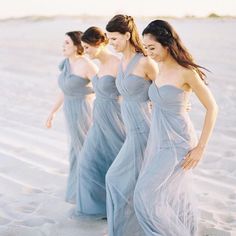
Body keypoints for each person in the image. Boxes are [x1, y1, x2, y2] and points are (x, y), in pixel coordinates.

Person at [134, 19, 218, 236]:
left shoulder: (186, 72)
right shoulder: (158, 69)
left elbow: (212, 108)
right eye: (146, 48)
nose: (149, 53)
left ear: (167, 44)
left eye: (152, 48)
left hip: (178, 143)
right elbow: (159, 98)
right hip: (159, 140)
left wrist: (201, 147)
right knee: (169, 194)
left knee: (145, 192)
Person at [105, 15, 158, 236]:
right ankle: (126, 228)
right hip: (130, 130)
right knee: (132, 182)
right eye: (108, 39)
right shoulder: (121, 63)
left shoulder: (145, 62)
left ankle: (125, 229)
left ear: (127, 35)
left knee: (115, 178)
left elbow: (163, 92)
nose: (111, 43)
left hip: (143, 130)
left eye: (114, 38)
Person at [72, 26, 126, 219]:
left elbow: (133, 91)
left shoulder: (118, 64)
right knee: (87, 163)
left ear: (101, 43)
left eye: (88, 47)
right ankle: (98, 208)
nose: (85, 52)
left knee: (116, 164)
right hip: (99, 120)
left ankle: (120, 210)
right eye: (83, 48)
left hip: (115, 119)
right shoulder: (99, 66)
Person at [45, 31, 97, 204]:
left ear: (78, 46)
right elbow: (65, 90)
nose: (63, 46)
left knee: (85, 152)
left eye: (67, 42)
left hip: (83, 112)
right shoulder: (66, 63)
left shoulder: (87, 65)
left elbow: (103, 88)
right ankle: (77, 193)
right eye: (63, 42)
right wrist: (52, 112)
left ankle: (93, 196)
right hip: (69, 110)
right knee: (75, 152)